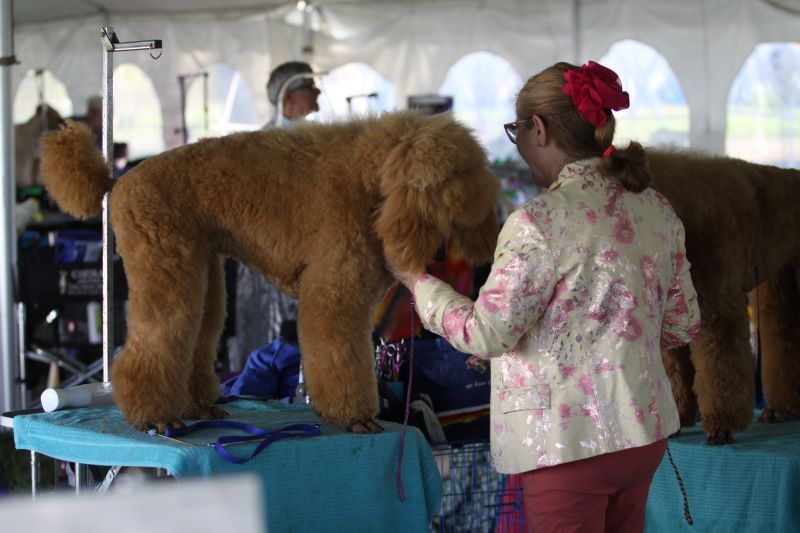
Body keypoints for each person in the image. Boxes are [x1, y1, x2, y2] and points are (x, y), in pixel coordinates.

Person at [389, 61, 701, 532]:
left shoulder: (538, 222)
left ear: (538, 128)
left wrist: (415, 280)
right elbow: (681, 323)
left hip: (567, 443)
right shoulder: (655, 208)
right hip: (643, 434)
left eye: (515, 131)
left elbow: (485, 333)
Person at [234, 61, 321, 365]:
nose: (317, 93)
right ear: (288, 96)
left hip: (304, 257)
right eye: (309, 87)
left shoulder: (315, 141)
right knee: (269, 341)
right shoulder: (262, 146)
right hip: (267, 262)